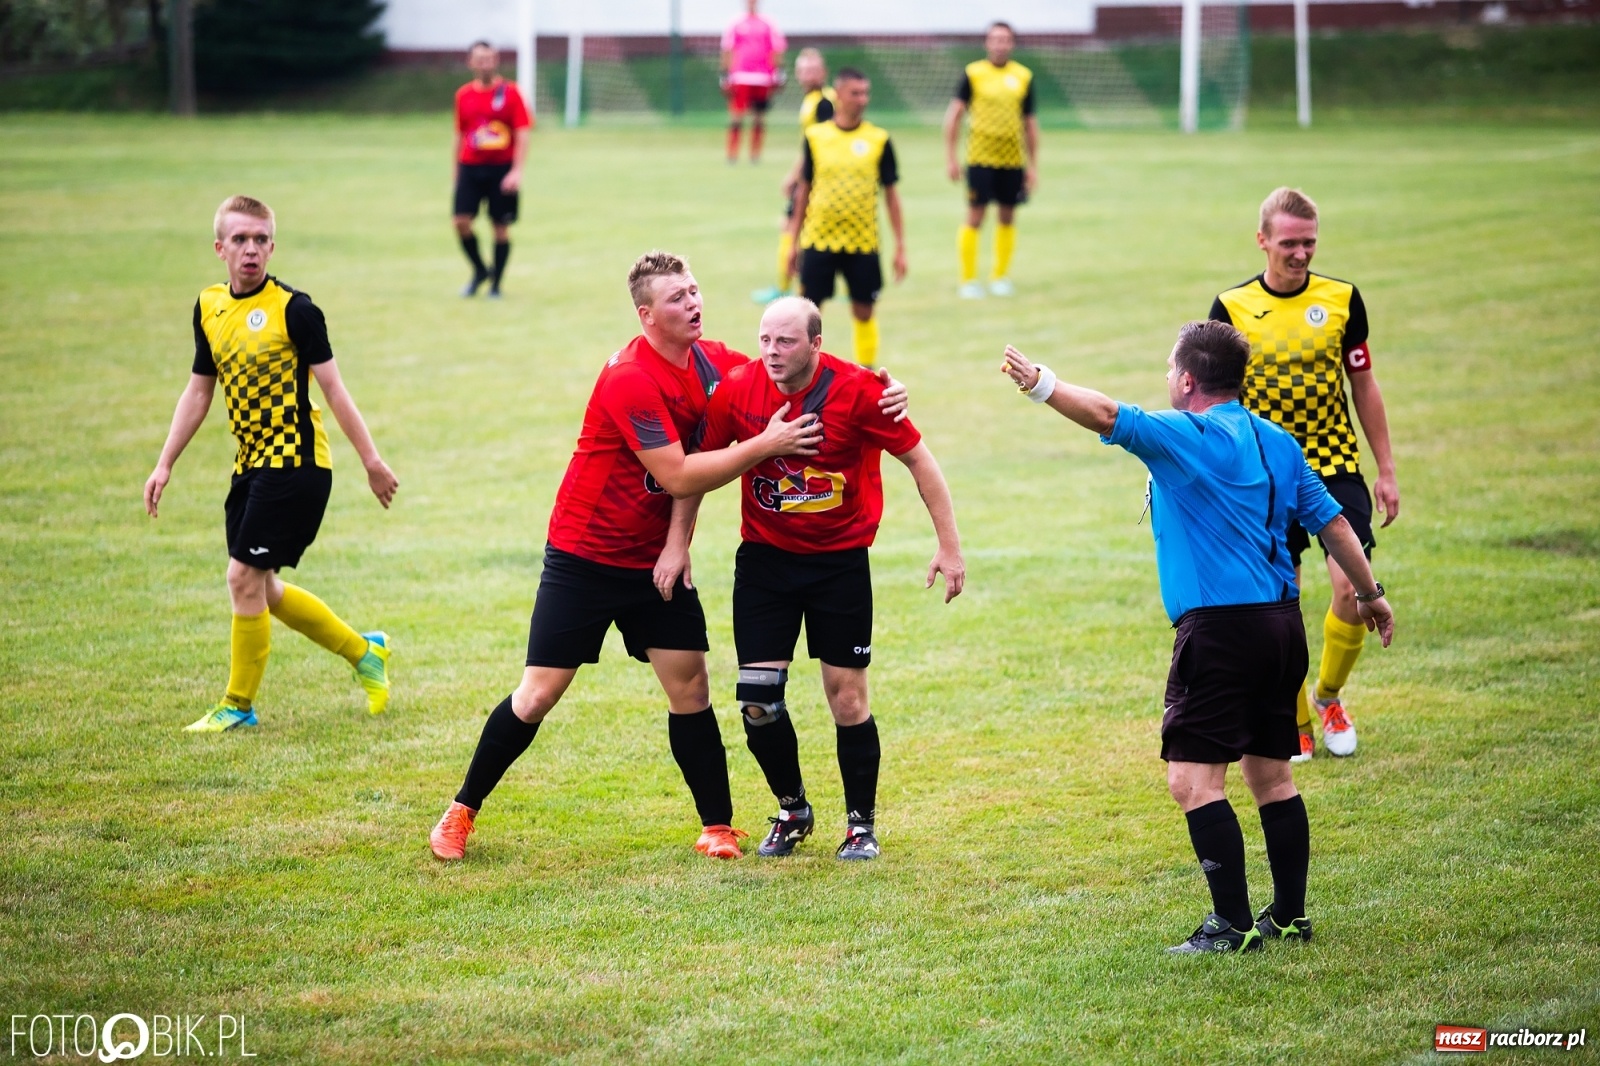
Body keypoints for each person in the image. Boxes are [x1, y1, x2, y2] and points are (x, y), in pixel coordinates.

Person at [428, 252, 908, 863]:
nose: (694, 303)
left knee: (692, 689)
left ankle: (716, 827)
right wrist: (767, 443)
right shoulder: (629, 376)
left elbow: (794, 371)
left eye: (695, 291)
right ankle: (462, 809)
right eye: (678, 298)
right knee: (538, 694)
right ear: (646, 314)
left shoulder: (712, 360)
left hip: (656, 559)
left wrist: (878, 386)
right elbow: (678, 474)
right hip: (588, 554)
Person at [1000, 320, 1394, 953]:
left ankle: (1232, 928)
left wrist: (1040, 383)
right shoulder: (1278, 443)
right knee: (1272, 778)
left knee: (1192, 783)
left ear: (1187, 379)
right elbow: (1335, 524)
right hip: (1281, 626)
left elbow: (1106, 413)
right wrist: (1371, 596)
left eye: (1168, 371)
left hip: (1219, 633)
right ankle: (1288, 916)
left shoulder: (1184, 435)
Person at [699, 297, 964, 861]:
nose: (771, 351)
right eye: (765, 339)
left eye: (786, 341)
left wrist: (949, 546)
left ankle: (860, 826)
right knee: (756, 700)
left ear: (816, 344)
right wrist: (677, 546)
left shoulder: (861, 391)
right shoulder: (740, 389)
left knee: (847, 698)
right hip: (765, 561)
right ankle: (792, 810)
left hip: (840, 563)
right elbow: (696, 471)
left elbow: (920, 458)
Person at [144, 195, 400, 733]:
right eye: (239, 240)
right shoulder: (209, 306)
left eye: (260, 240)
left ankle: (238, 705)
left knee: (242, 576)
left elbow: (333, 388)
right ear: (220, 248)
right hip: (251, 465)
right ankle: (364, 652)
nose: (251, 250)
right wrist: (165, 463)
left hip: (298, 464)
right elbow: (198, 391)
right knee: (262, 587)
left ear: (272, 246)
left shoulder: (295, 310)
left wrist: (371, 460)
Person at [1209, 187, 1399, 761]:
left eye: (1309, 242)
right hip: (1265, 472)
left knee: (1349, 585)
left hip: (1336, 462)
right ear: (1262, 240)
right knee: (1278, 599)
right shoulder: (1232, 308)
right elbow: (1213, 398)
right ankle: (1291, 721)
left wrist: (1385, 468)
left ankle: (1328, 697)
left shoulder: (1342, 300)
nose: (1300, 253)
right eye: (1289, 243)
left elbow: (1363, 383)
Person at [788, 68, 907, 372]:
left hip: (862, 241)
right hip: (819, 238)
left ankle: (867, 373)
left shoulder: (878, 140)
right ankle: (803, 374)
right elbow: (804, 191)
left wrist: (900, 246)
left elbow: (892, 196)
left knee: (865, 310)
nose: (862, 99)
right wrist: (792, 242)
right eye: (856, 93)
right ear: (838, 95)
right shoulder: (816, 137)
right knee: (807, 313)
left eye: (866, 93)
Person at [943, 21, 1038, 299]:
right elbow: (954, 116)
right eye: (995, 39)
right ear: (987, 43)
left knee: (1008, 215)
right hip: (980, 159)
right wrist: (951, 157)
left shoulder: (1023, 76)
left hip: (1012, 160)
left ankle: (1000, 276)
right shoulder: (973, 74)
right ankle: (968, 279)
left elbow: (1030, 124)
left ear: (1012, 43)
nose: (1000, 44)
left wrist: (1032, 166)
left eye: (1005, 39)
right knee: (975, 215)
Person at [751, 48, 836, 305]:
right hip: (812, 176)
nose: (808, 75)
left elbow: (819, 146)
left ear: (824, 72)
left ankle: (785, 286)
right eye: (804, 70)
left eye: (813, 70)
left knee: (792, 227)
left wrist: (796, 176)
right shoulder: (812, 100)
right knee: (802, 229)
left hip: (818, 178)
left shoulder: (824, 103)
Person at [453, 40, 532, 298]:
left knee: (500, 226)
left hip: (501, 168)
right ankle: (479, 270)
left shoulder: (510, 92)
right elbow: (460, 134)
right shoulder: (464, 95)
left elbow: (522, 132)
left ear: (496, 60)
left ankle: (496, 284)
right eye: (480, 58)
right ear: (471, 63)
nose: (485, 63)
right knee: (461, 221)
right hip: (470, 167)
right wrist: (456, 171)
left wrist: (516, 170)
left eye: (489, 58)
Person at [720, 0, 786, 164]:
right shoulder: (736, 23)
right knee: (737, 116)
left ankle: (755, 154)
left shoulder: (768, 23)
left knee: (759, 117)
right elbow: (728, 49)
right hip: (741, 76)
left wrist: (779, 73)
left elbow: (776, 49)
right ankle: (732, 154)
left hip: (762, 77)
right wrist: (724, 74)